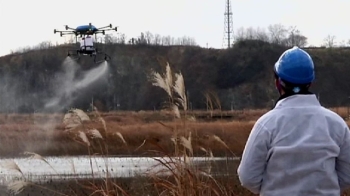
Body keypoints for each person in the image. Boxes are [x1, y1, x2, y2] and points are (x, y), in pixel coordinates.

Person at [237, 46, 350, 195]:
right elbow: (347, 175)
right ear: (310, 82)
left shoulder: (266, 125)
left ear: (278, 83)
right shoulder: (336, 124)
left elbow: (248, 177)